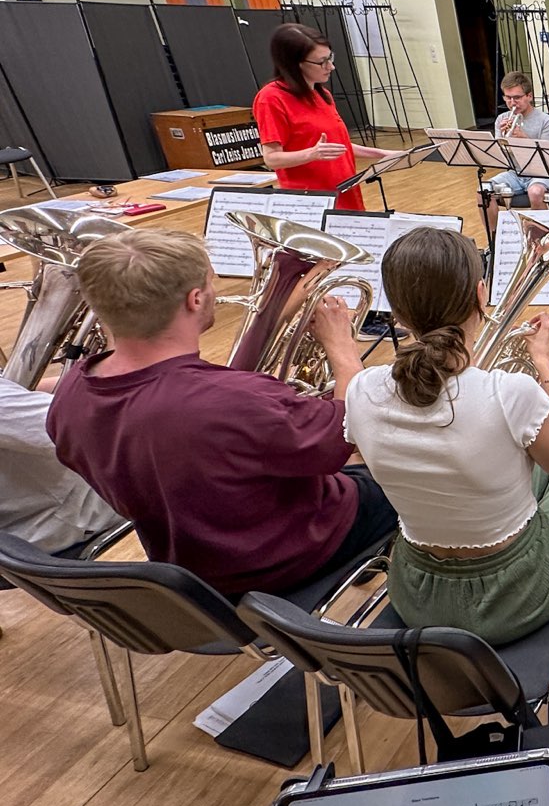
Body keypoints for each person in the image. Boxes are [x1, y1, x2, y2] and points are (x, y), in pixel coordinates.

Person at [46, 228, 398, 597]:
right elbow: (347, 431)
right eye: (211, 283)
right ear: (196, 299)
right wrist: (341, 347)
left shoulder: (69, 394)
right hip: (286, 559)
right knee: (415, 470)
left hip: (184, 567)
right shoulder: (230, 401)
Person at [342, 228, 549, 644]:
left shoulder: (362, 389)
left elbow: (365, 458)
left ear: (397, 315)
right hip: (519, 591)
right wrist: (545, 363)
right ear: (480, 294)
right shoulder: (508, 392)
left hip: (417, 591)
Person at [253, 23, 401, 212]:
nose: (331, 66)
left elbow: (337, 146)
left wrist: (382, 154)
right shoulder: (271, 98)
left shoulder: (322, 94)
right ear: (295, 63)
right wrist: (311, 154)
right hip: (311, 202)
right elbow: (272, 158)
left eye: (330, 58)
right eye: (322, 62)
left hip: (345, 193)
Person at [1, 377, 122, 554]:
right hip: (78, 517)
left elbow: (16, 390)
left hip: (27, 532)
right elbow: (86, 426)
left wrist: (89, 375)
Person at [487, 72, 549, 210]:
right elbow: (500, 157)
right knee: (483, 190)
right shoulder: (501, 119)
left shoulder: (545, 120)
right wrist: (503, 138)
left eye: (517, 97)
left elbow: (548, 158)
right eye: (508, 98)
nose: (512, 103)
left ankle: (540, 230)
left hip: (543, 173)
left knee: (535, 192)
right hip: (515, 172)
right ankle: (495, 231)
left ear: (529, 96)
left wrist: (524, 139)